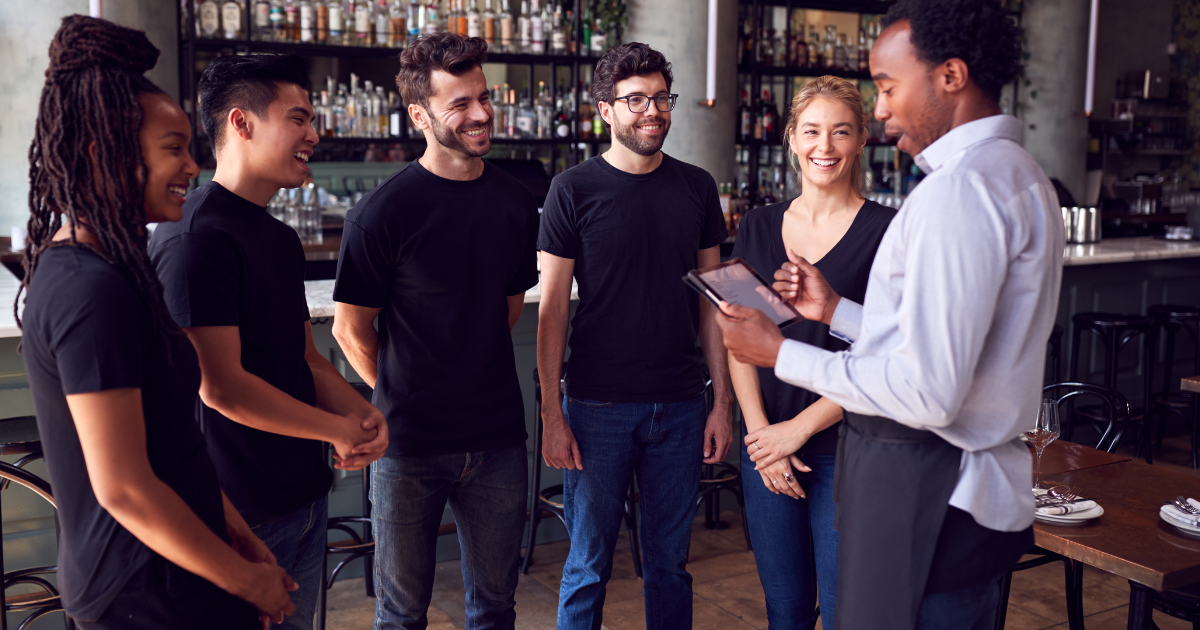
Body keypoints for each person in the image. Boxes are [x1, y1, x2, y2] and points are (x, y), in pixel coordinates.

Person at [717, 0, 1063, 628]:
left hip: (931, 497)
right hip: (973, 499)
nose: (880, 108)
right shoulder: (1021, 175)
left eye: (887, 86)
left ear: (950, 76)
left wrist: (781, 353)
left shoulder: (957, 192)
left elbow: (927, 391)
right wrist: (835, 310)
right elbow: (940, 341)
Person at [18, 16, 298, 628]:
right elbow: (124, 487)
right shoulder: (86, 289)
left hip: (180, 572)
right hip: (142, 590)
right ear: (104, 151)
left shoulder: (117, 269)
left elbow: (174, 444)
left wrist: (240, 537)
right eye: (173, 149)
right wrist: (244, 579)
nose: (193, 168)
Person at [149, 53, 388, 629]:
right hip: (237, 513)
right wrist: (335, 429)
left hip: (303, 495)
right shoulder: (195, 238)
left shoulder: (278, 238)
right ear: (241, 122)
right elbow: (221, 389)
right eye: (299, 119)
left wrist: (364, 412)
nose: (315, 134)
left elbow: (303, 358)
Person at [331, 32, 538, 630]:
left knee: (496, 607)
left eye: (483, 97)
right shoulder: (381, 213)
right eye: (460, 104)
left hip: (498, 436)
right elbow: (349, 331)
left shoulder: (514, 201)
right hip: (409, 444)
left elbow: (507, 305)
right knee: (400, 614)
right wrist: (405, 390)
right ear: (419, 115)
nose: (480, 114)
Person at [538, 42, 733, 630]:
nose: (653, 111)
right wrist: (552, 411)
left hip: (679, 404)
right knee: (588, 563)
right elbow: (551, 312)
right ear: (606, 110)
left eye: (661, 98)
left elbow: (715, 304)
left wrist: (721, 403)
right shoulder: (571, 190)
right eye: (636, 100)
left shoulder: (698, 188)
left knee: (670, 564)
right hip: (597, 405)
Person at [731, 75, 896, 630]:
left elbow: (886, 353)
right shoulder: (756, 225)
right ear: (792, 139)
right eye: (812, 132)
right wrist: (761, 437)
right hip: (764, 448)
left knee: (849, 611)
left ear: (861, 140)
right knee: (786, 612)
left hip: (847, 449)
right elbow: (738, 336)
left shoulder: (887, 232)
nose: (825, 147)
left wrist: (797, 429)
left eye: (840, 132)